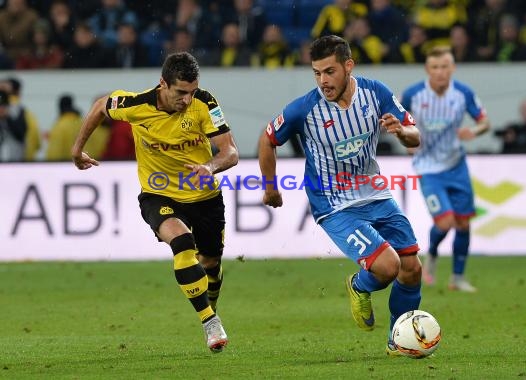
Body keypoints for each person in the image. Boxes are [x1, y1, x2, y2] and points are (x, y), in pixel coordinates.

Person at [258, 35, 422, 356]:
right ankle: (359, 285)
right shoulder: (305, 108)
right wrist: (269, 185)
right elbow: (267, 140)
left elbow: (414, 135)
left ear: (349, 66)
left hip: (375, 193)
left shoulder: (375, 93)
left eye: (329, 71)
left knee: (412, 268)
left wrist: (402, 132)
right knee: (388, 268)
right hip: (334, 205)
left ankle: (397, 341)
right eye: (317, 73)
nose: (323, 81)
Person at [71, 52, 239, 353]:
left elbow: (231, 152)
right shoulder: (136, 105)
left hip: (204, 198)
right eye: (180, 93)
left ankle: (209, 305)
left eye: (191, 92)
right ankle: (209, 320)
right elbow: (100, 106)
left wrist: (210, 167)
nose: (187, 100)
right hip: (158, 194)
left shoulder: (206, 103)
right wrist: (77, 148)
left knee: (210, 263)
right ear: (163, 83)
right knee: (182, 242)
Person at [400, 46, 491, 292]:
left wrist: (474, 131)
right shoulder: (413, 95)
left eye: (444, 67)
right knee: (445, 222)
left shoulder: (463, 93)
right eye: (435, 67)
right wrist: (405, 138)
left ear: (453, 68)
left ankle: (457, 278)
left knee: (463, 224)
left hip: (456, 165)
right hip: (428, 168)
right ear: (427, 70)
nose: (440, 72)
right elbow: (398, 121)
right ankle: (432, 256)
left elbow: (484, 122)